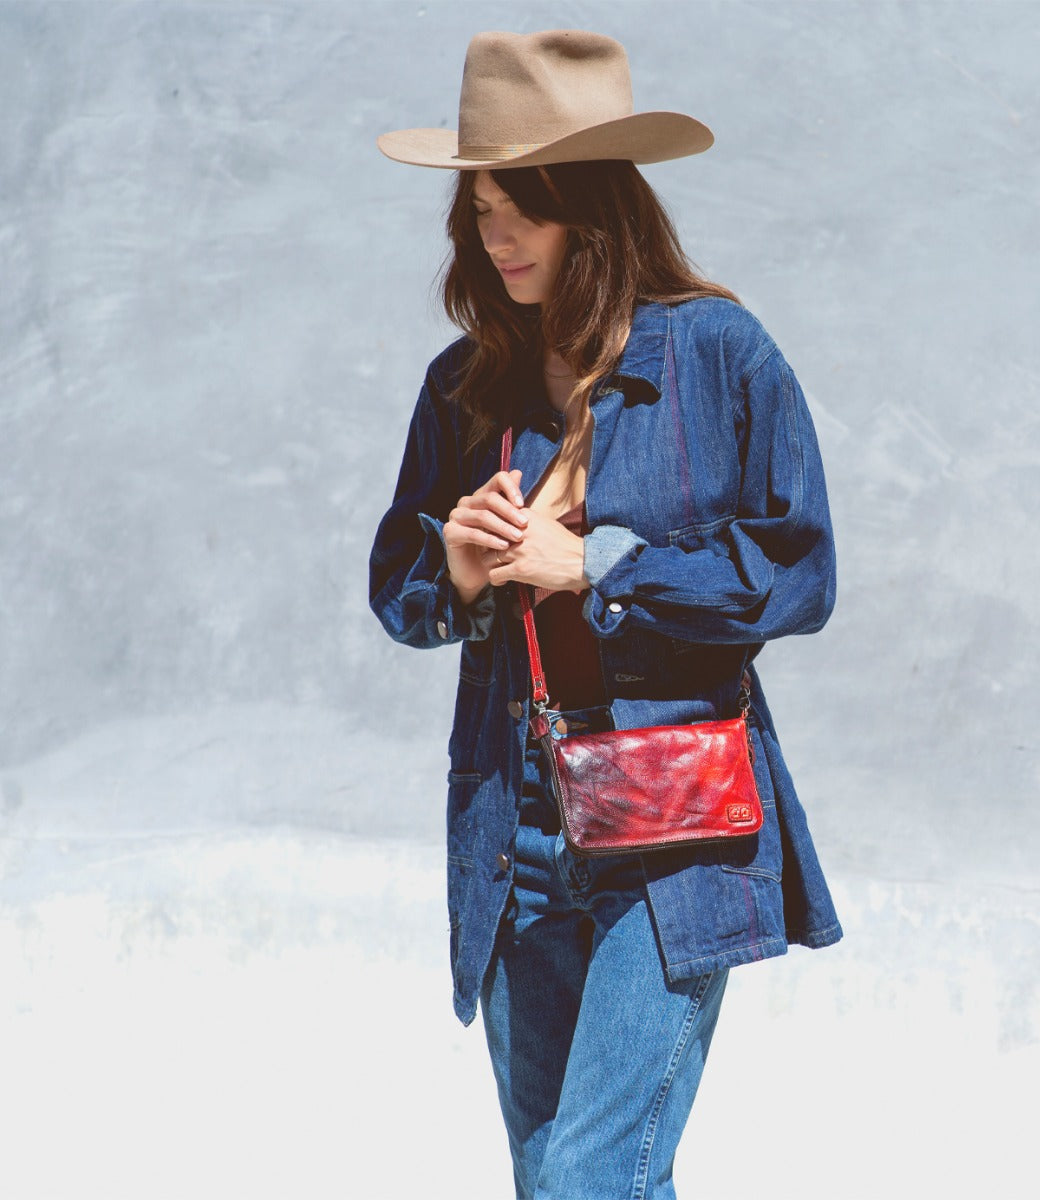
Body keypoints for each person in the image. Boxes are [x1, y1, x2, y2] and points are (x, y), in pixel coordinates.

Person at [370, 29, 841, 1200]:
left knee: (590, 1177)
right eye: (478, 211)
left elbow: (797, 570)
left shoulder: (719, 353)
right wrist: (465, 573)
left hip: (673, 825)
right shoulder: (463, 382)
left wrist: (600, 568)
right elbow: (400, 588)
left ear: (590, 203)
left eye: (517, 206)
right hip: (513, 824)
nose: (494, 237)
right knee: (556, 1181)